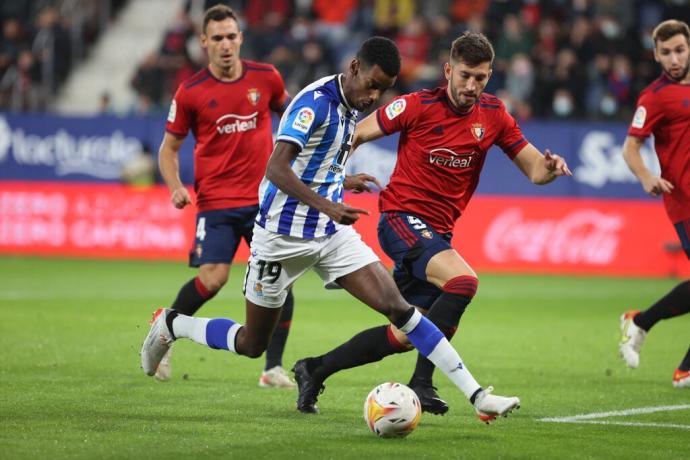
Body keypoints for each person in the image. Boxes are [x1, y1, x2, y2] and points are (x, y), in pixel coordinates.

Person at [141, 36, 521, 423]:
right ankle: (173, 323)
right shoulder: (315, 103)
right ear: (354, 67)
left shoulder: (351, 104)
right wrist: (326, 203)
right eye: (372, 84)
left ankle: (477, 397)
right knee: (252, 344)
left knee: (402, 312)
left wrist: (342, 182)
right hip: (280, 238)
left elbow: (319, 163)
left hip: (330, 235)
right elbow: (276, 168)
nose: (374, 96)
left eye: (383, 89)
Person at [292, 31, 572, 416]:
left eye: (481, 78)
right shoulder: (416, 105)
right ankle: (421, 383)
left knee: (406, 333)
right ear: (448, 70)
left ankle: (314, 369)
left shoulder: (494, 116)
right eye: (465, 76)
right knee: (463, 281)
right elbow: (355, 134)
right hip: (400, 219)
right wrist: (331, 183)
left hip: (437, 232)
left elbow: (535, 170)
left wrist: (551, 168)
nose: (471, 86)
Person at [154, 5, 296, 388]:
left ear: (241, 38)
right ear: (204, 43)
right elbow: (168, 149)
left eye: (231, 36)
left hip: (265, 201)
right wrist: (176, 187)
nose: (226, 44)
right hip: (216, 202)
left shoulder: (266, 78)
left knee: (279, 280)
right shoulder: (191, 92)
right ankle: (165, 331)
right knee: (213, 279)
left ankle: (272, 368)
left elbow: (297, 116)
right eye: (217, 38)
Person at [618, 19, 690, 389]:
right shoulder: (655, 97)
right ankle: (686, 368)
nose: (674, 59)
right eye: (666, 53)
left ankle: (641, 321)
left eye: (679, 50)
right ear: (656, 54)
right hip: (685, 202)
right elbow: (630, 146)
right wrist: (647, 176)